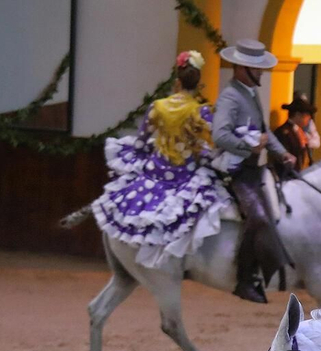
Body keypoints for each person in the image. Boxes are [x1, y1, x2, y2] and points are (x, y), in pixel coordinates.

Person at [91, 51, 228, 270]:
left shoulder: (158, 106)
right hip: (186, 173)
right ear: (198, 83)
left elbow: (141, 141)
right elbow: (213, 142)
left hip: (155, 171)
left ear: (177, 80)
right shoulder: (201, 111)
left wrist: (155, 147)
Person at [212, 39, 297, 304]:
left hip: (253, 167)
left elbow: (264, 131)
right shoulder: (230, 96)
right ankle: (244, 279)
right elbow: (219, 135)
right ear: (242, 68)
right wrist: (247, 146)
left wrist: (281, 152)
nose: (261, 73)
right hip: (235, 169)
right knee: (258, 217)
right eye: (256, 68)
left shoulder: (250, 93)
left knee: (276, 210)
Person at [274, 93, 317, 170]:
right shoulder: (283, 132)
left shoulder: (299, 131)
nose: (309, 118)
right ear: (297, 115)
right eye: (306, 115)